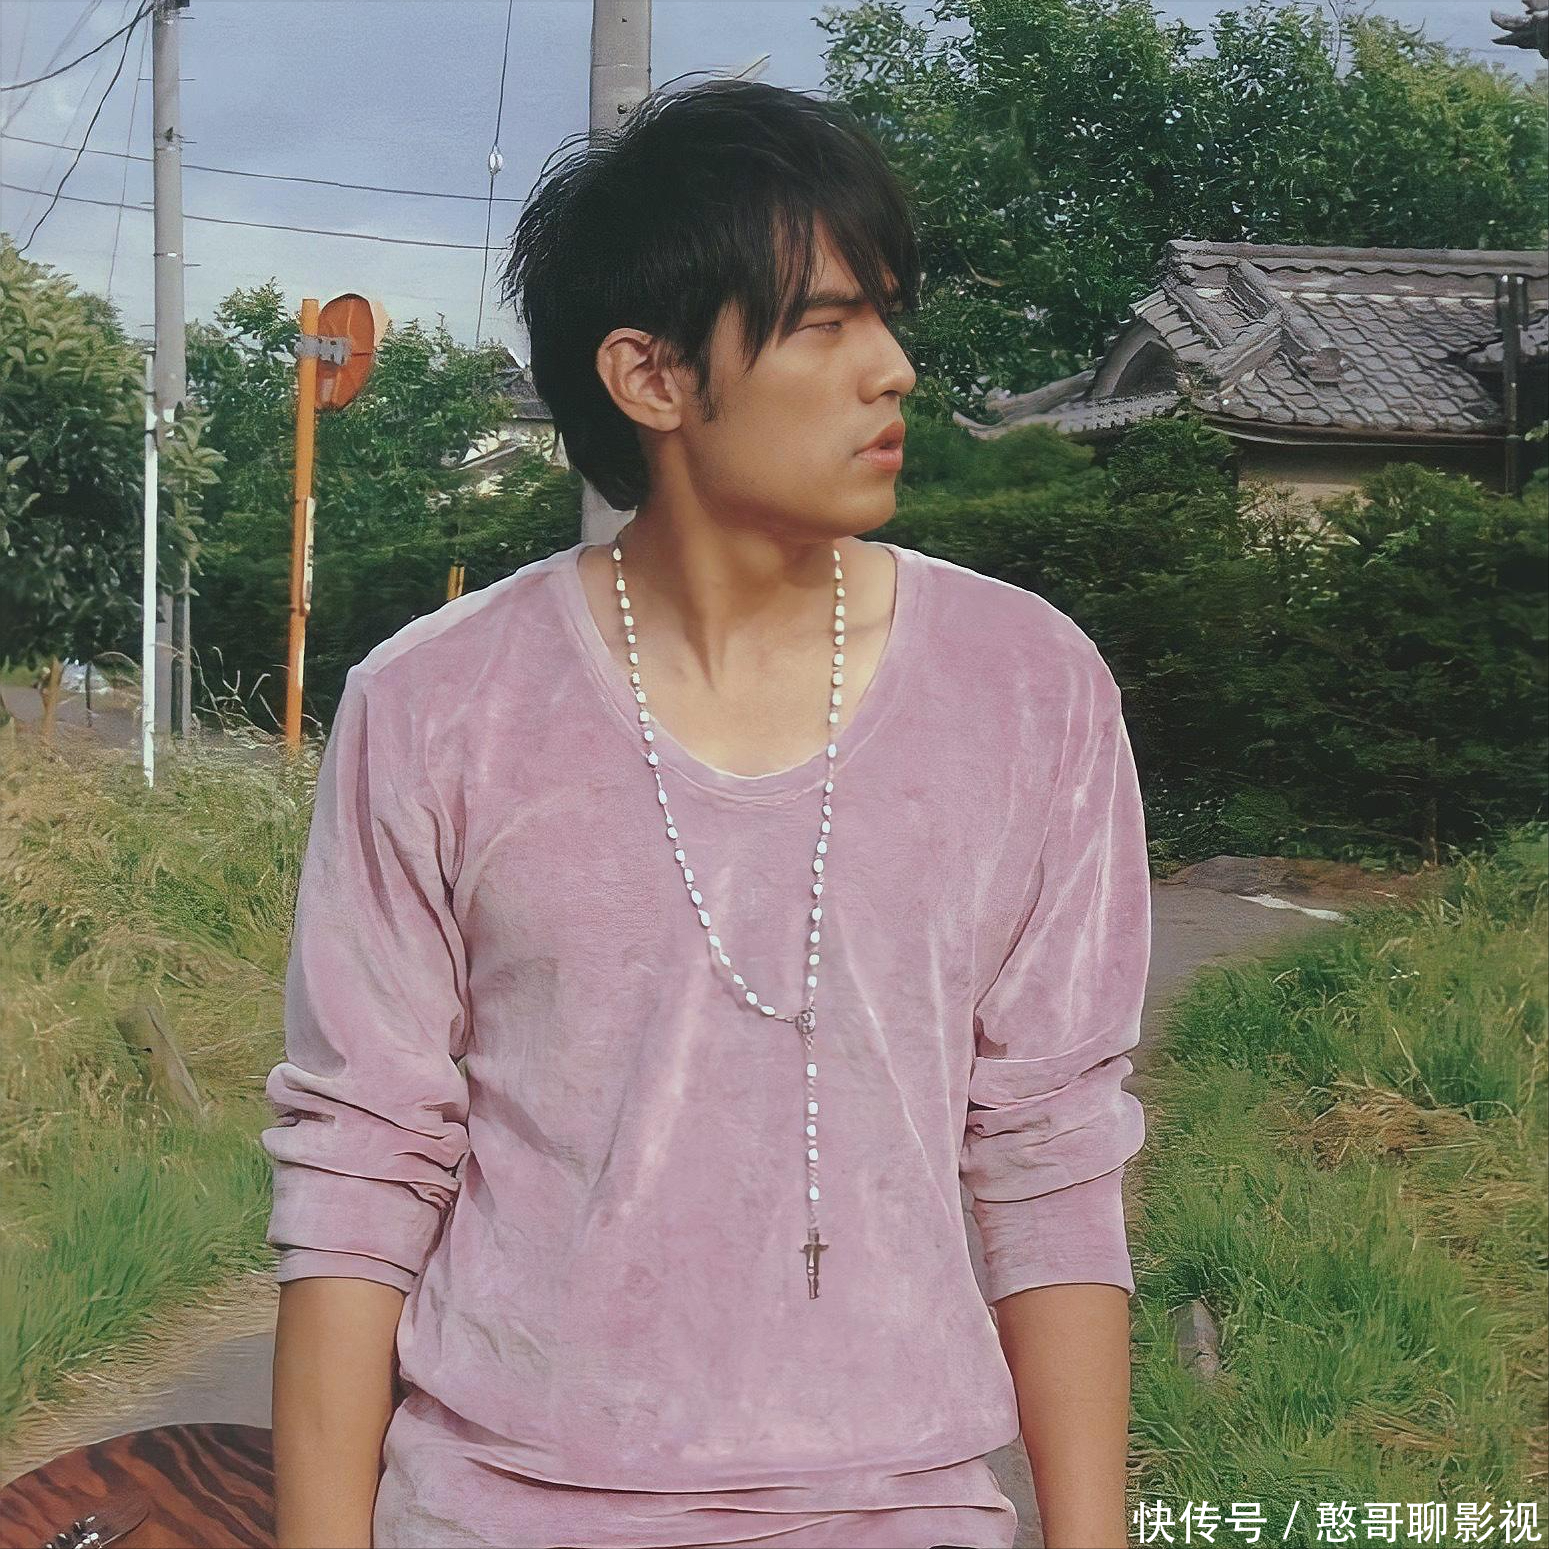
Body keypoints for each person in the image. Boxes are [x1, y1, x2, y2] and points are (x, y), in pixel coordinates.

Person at [263, 77, 1150, 1549]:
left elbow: (1049, 1152)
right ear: (651, 376)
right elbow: (362, 1165)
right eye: (826, 324)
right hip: (505, 1509)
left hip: (900, 1506)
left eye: (888, 317)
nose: (894, 371)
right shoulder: (438, 705)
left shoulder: (1028, 689)